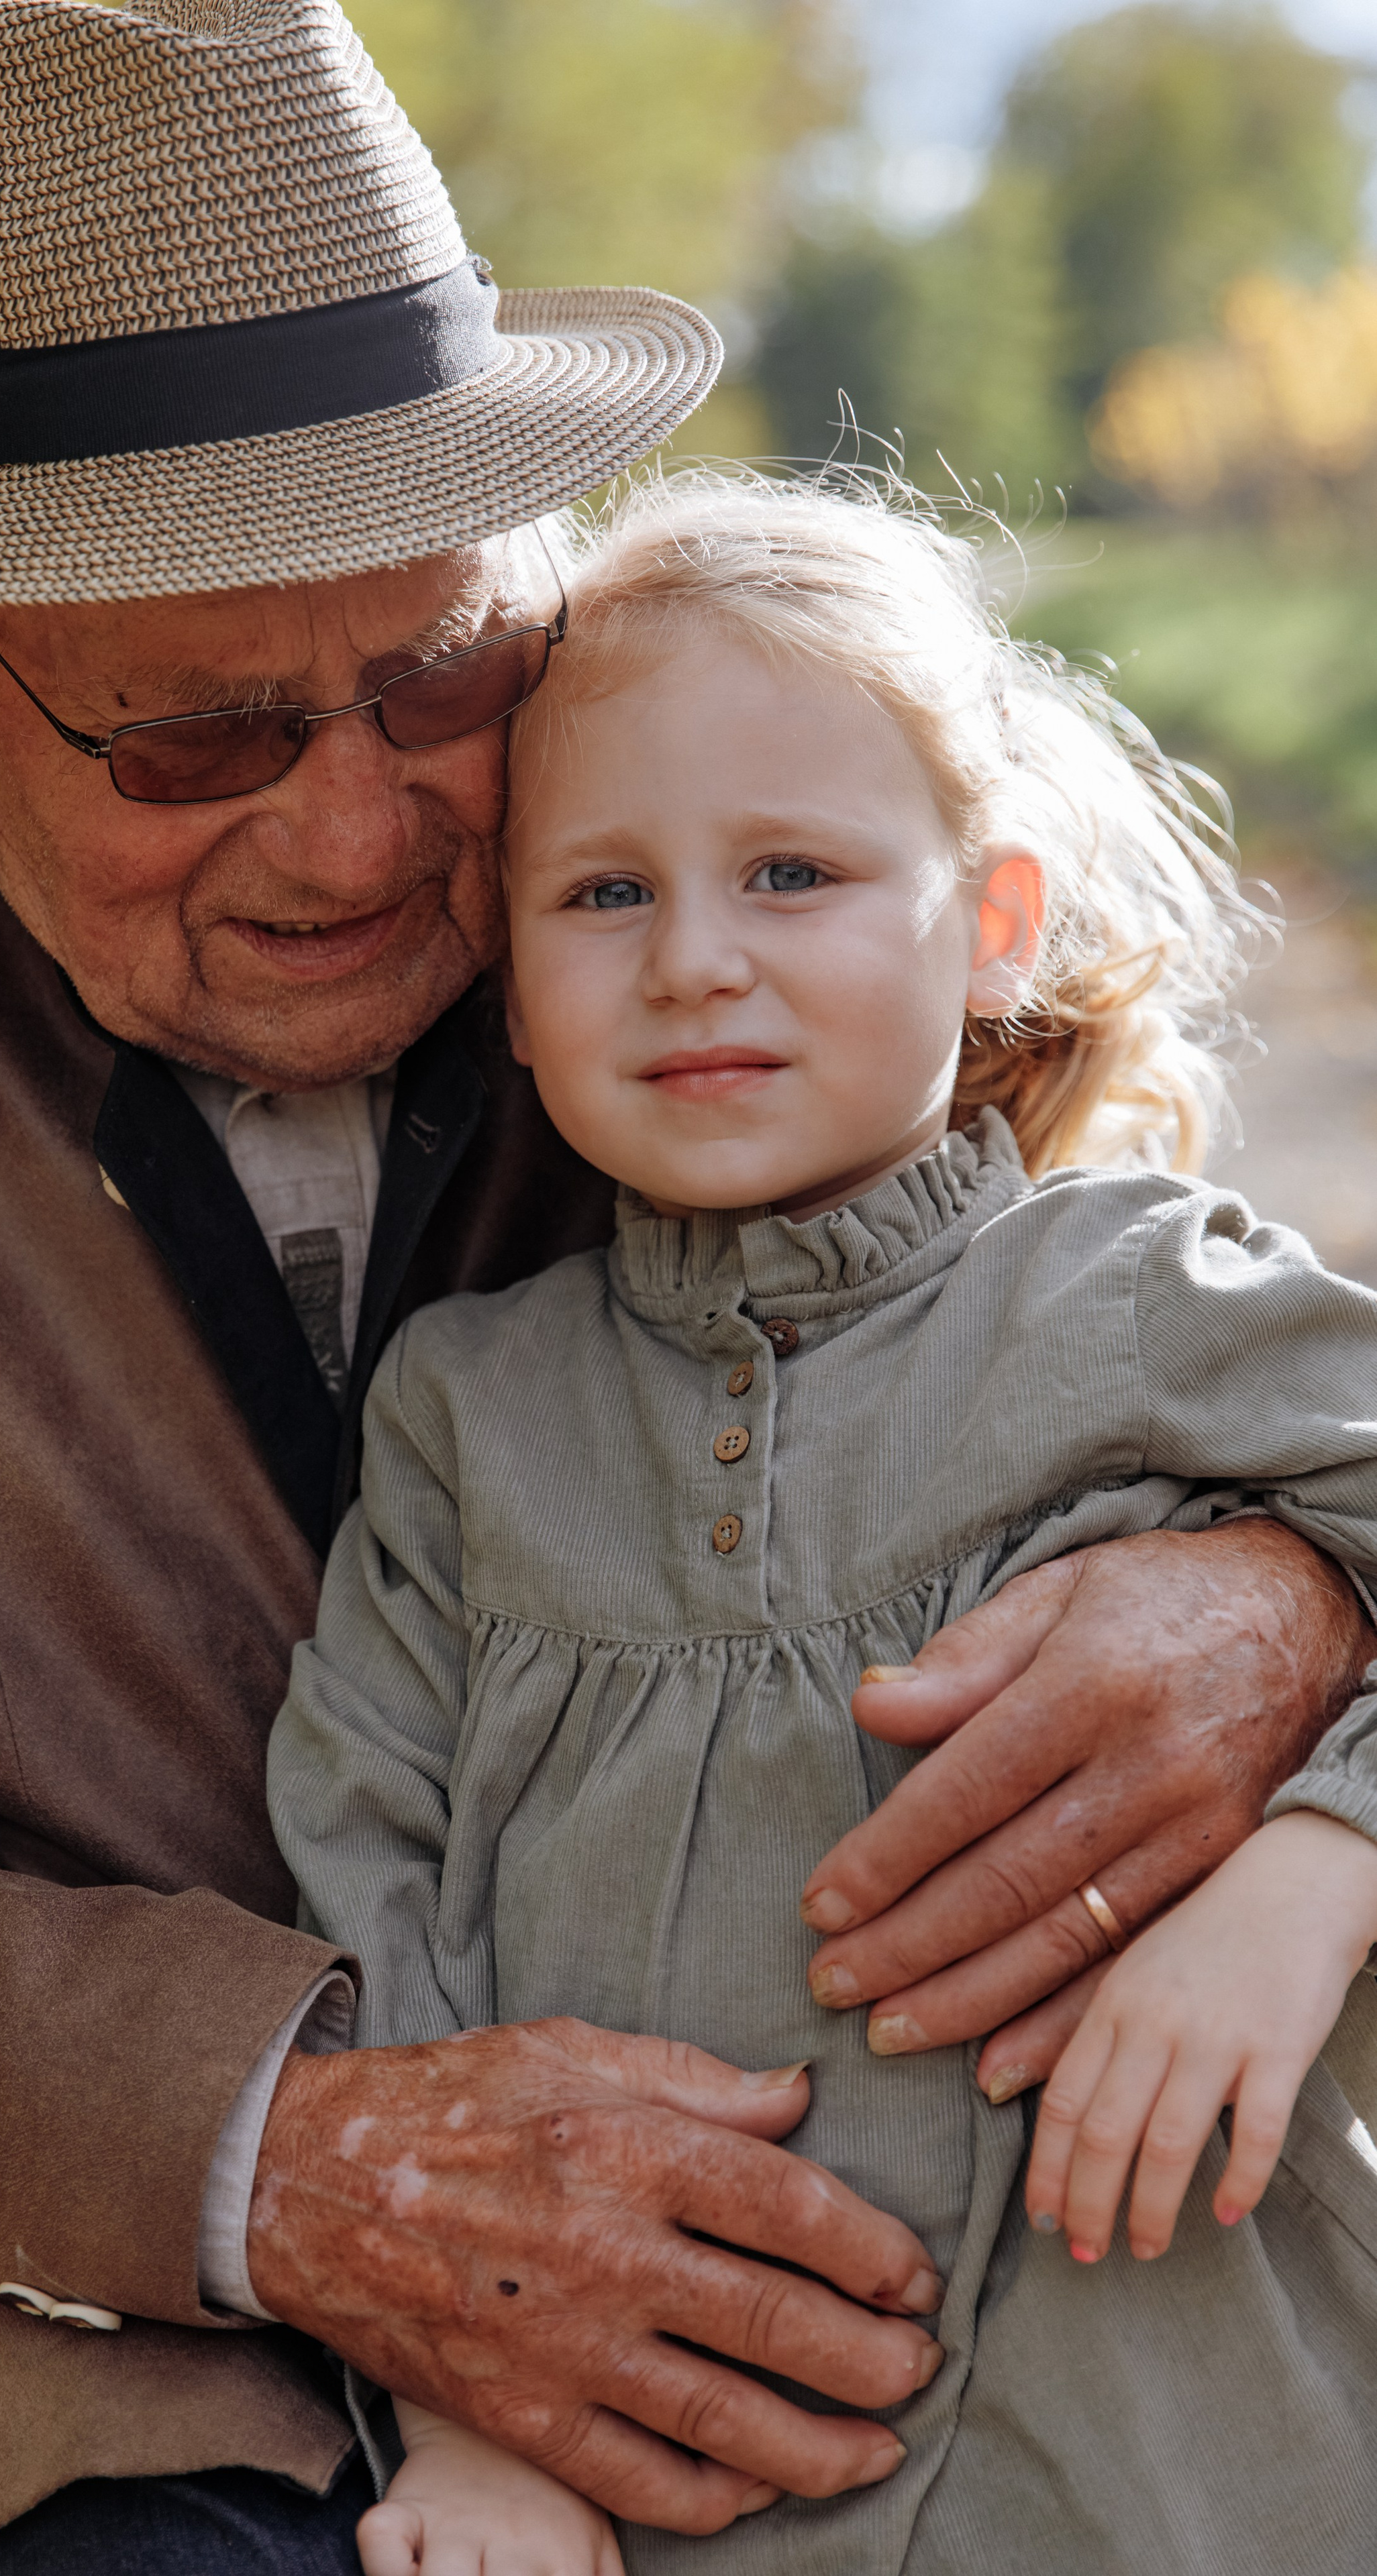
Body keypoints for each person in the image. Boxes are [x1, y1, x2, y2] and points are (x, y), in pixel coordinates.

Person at [0, 3, 1368, 2571]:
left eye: (432, 674)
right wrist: (311, 2161)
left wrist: (1290, 1612)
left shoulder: (660, 766)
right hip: (59, 2296)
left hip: (966, 2295)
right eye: (199, 741)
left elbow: (1144, 1331)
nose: (362, 835)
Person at [270, 469, 1377, 2576]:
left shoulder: (1137, 1300)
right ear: (506, 984)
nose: (696, 962)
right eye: (604, 895)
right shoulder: (465, 1421)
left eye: (791, 873)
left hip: (1197, 2462)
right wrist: (465, 2416)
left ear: (991, 924)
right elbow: (371, 1887)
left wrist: (1324, 1859)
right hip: (699, 2500)